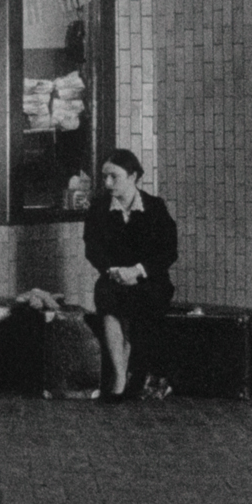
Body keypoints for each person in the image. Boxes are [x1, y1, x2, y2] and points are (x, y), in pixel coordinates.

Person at [83, 149, 177, 403]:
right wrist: (112, 271)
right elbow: (92, 248)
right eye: (104, 177)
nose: (107, 183)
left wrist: (138, 271)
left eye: (114, 177)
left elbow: (168, 251)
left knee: (141, 303)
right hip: (114, 278)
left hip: (149, 279)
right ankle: (119, 376)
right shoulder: (99, 209)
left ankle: (132, 374)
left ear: (133, 176)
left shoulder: (155, 207)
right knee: (108, 298)